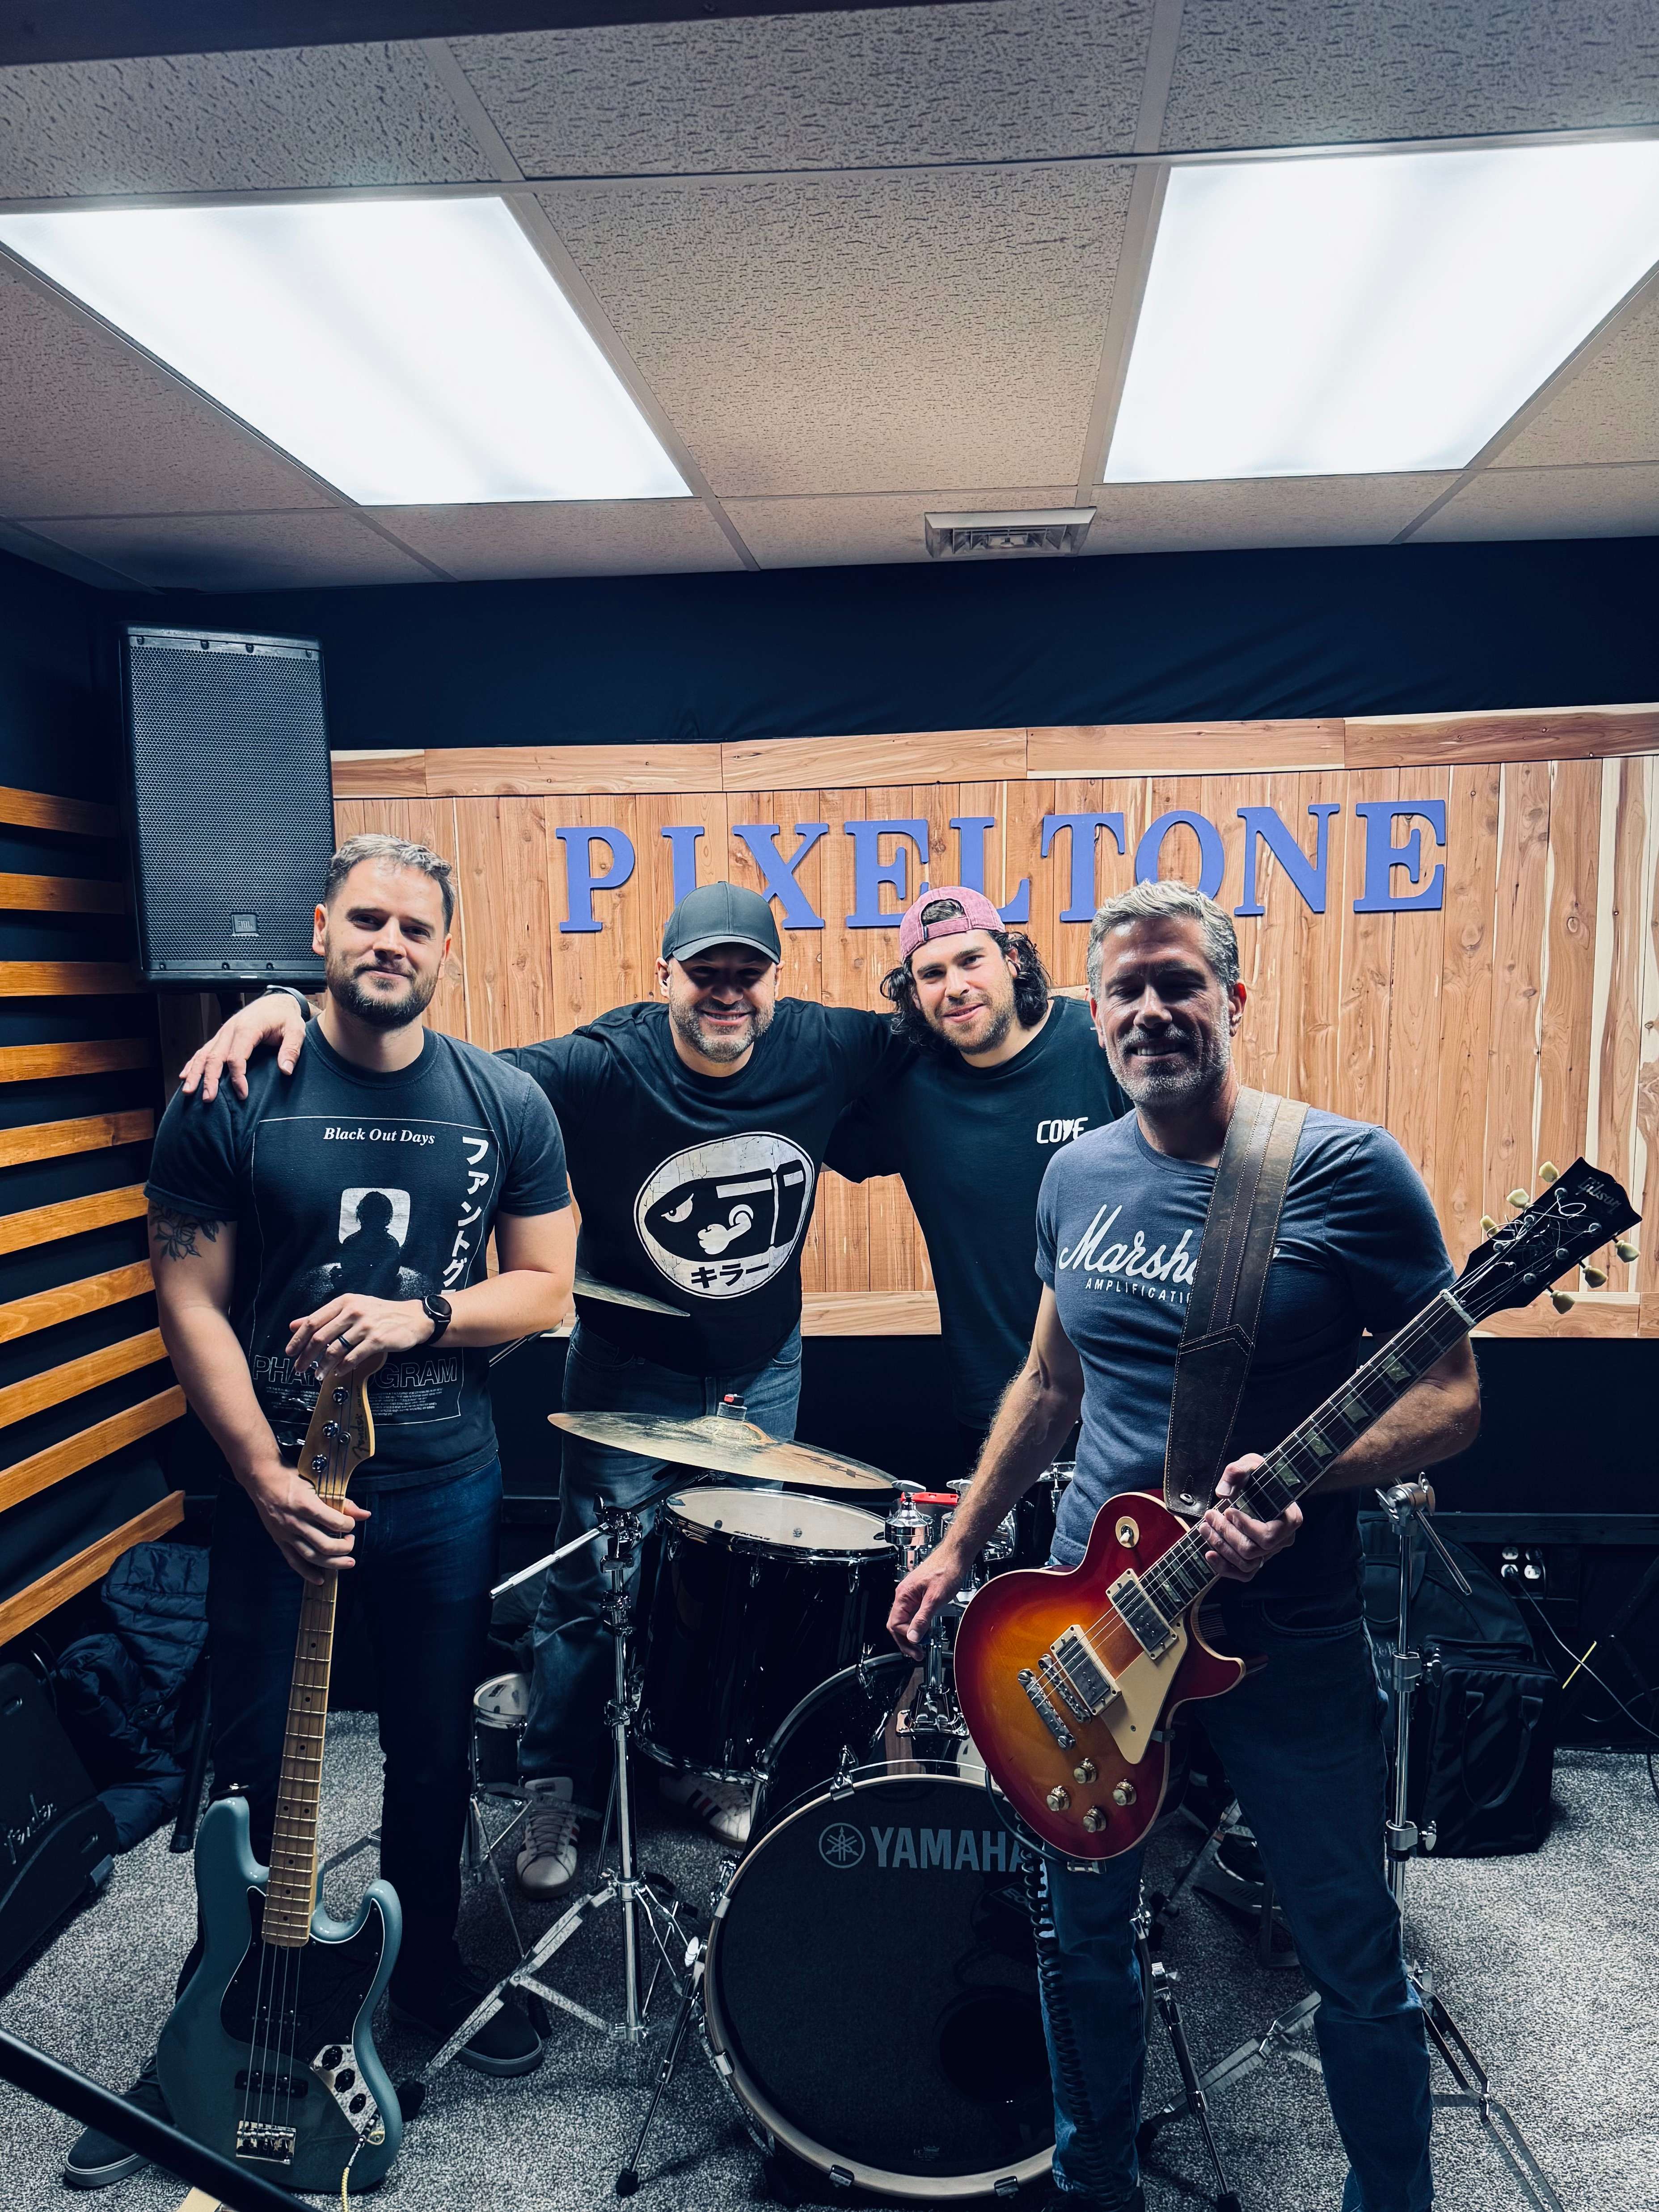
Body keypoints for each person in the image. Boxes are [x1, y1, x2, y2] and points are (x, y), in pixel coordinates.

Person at [889, 879, 1481, 2212]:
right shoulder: (1077, 1171)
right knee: (1079, 1936)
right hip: (1091, 1627)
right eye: (1127, 990)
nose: (1152, 1009)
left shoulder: (1344, 1168)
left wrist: (1313, 1478)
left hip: (1283, 1640)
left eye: (1179, 983)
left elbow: (1452, 1396)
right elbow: (1050, 1387)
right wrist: (963, 1546)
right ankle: (1098, 2180)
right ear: (1094, 1013)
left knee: (1349, 1950)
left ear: (1233, 998)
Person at [176, 879, 905, 1892]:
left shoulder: (828, 1044)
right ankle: (558, 1776)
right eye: (705, 973)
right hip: (624, 1367)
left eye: (747, 974)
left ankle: (684, 1768)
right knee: (592, 1586)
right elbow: (423, 1069)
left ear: (776, 980)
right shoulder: (601, 1062)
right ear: (664, 977)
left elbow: (953, 1027)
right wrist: (291, 1007)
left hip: (761, 1366)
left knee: (728, 1590)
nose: (726, 992)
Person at [63, 834, 575, 2192]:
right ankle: (206, 2011)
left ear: (447, 947)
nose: (390, 940)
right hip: (278, 1484)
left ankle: (420, 1981)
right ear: (321, 929)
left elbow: (549, 1289)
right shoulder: (234, 1087)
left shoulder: (504, 1098)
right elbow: (189, 1297)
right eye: (367, 917)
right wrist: (261, 1476)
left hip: (446, 1481)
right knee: (243, 1763)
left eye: (417, 922)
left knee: (429, 1750)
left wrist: (427, 1313)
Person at [825, 886, 1130, 1485]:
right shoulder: (908, 1087)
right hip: (998, 1409)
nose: (956, 986)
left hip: (1127, 1399)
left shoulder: (1095, 1045)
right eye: (932, 974)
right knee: (1012, 1581)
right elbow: (804, 1135)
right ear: (913, 994)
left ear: (1012, 959)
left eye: (972, 961)